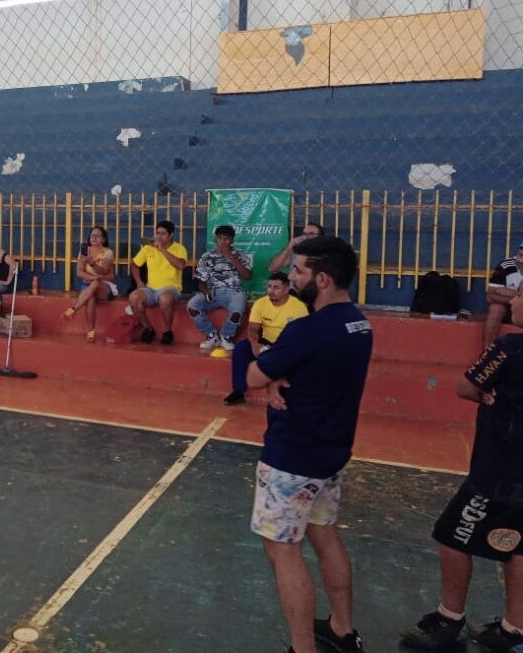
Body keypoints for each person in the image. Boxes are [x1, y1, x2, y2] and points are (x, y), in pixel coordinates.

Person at [246, 236, 373, 653]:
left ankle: (303, 648)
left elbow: (252, 375)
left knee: (283, 551)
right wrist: (277, 380)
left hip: (292, 456)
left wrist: (268, 379)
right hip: (331, 452)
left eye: (298, 270)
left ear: (322, 278)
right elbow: (304, 373)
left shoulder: (306, 330)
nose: (291, 276)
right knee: (326, 535)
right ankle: (342, 628)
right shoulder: (359, 324)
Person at [399, 288, 523, 651]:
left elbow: (465, 385)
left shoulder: (509, 349)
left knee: (452, 535)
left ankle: (448, 619)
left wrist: (483, 393)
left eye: (520, 295)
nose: (513, 300)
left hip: (498, 473)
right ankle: (514, 629)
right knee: (518, 546)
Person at [224, 272, 308, 406]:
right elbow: (252, 328)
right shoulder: (260, 303)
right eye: (269, 287)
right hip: (266, 342)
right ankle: (238, 391)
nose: (271, 291)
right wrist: (254, 344)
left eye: (276, 287)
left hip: (287, 345)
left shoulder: (299, 308)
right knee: (241, 349)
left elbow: (302, 336)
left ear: (286, 289)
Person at [187, 224, 252, 351]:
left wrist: (230, 257)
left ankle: (226, 336)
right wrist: (206, 292)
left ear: (232, 240)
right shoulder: (207, 256)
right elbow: (201, 281)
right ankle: (212, 336)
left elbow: (247, 276)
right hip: (214, 291)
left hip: (235, 292)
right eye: (220, 238)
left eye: (226, 238)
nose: (223, 241)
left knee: (238, 306)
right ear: (215, 239)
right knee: (192, 305)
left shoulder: (240, 255)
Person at [127, 220, 188, 345]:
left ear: (171, 235)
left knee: (165, 299)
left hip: (171, 288)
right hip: (150, 289)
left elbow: (181, 265)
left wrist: (162, 250)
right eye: (157, 233)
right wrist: (139, 282)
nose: (159, 236)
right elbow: (134, 265)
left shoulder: (179, 248)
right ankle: (148, 328)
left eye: (163, 234)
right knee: (133, 297)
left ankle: (167, 331)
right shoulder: (148, 248)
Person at [64, 226, 118, 343]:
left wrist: (93, 265)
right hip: (89, 285)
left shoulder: (108, 252)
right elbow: (79, 272)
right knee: (91, 298)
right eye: (92, 235)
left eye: (98, 235)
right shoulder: (84, 252)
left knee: (95, 284)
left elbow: (103, 271)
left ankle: (74, 309)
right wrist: (94, 277)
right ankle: (91, 331)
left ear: (103, 239)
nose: (94, 237)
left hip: (104, 286)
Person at [483, 243, 523, 348]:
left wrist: (507, 291)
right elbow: (491, 295)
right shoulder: (506, 265)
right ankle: (487, 353)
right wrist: (517, 298)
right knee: (496, 308)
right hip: (510, 309)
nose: (520, 260)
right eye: (520, 253)